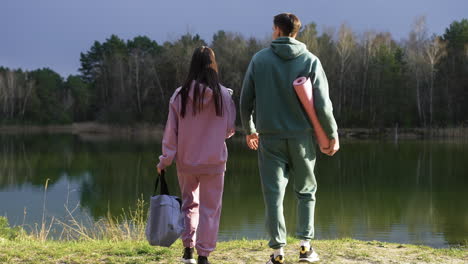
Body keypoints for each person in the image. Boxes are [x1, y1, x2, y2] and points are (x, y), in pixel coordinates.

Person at [240, 13, 339, 264]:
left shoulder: (259, 60)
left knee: (273, 195)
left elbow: (244, 100)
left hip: (269, 139)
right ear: (296, 32)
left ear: (277, 30)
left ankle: (277, 253)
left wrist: (249, 129)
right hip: (302, 139)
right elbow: (323, 105)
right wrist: (332, 134)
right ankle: (305, 248)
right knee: (306, 191)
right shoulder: (310, 60)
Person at [157, 46, 236, 264]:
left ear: (192, 65)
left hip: (187, 162)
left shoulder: (179, 95)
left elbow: (170, 133)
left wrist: (165, 160)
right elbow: (230, 129)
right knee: (211, 209)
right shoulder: (224, 96)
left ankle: (188, 251)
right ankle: (203, 255)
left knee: (189, 205)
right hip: (214, 163)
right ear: (213, 65)